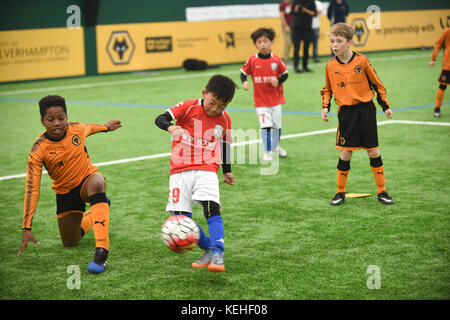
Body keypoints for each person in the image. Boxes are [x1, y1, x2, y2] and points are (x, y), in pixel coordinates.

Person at [17, 95, 122, 274]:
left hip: (87, 181)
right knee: (70, 242)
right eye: (51, 119)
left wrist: (106, 127)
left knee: (98, 183)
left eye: (61, 118)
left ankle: (102, 252)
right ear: (43, 121)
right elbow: (32, 188)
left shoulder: (76, 129)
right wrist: (26, 227)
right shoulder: (38, 150)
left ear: (67, 117)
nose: (57, 123)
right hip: (65, 193)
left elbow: (89, 128)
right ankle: (100, 206)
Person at [154, 75, 237, 273]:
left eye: (222, 107)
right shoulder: (188, 106)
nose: (215, 109)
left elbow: (225, 146)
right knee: (183, 220)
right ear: (204, 94)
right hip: (178, 171)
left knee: (211, 209)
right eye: (212, 103)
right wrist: (171, 126)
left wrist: (227, 171)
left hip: (206, 168)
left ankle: (218, 252)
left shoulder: (224, 120)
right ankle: (207, 247)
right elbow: (160, 118)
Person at [320, 23, 394, 206]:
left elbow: (378, 84)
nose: (334, 45)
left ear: (350, 42)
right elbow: (327, 89)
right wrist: (325, 106)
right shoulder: (330, 66)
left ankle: (382, 191)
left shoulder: (362, 61)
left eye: (339, 41)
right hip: (346, 114)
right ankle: (339, 192)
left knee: (373, 151)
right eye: (332, 41)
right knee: (345, 153)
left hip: (366, 111)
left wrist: (385, 105)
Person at [241, 27, 289, 161]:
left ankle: (276, 147)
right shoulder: (252, 60)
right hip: (261, 101)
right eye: (259, 42)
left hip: (276, 100)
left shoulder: (276, 60)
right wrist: (244, 82)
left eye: (265, 41)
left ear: (271, 42)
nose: (262, 44)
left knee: (277, 126)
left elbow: (285, 74)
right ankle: (267, 151)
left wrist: (278, 81)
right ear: (255, 44)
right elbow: (243, 72)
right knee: (265, 125)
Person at [290, 0, 317, 73]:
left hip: (307, 28)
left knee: (306, 48)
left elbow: (314, 14)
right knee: (296, 49)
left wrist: (305, 10)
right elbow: (292, 13)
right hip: (296, 28)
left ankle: (305, 67)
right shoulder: (295, 1)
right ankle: (296, 67)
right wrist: (296, 9)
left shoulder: (311, 2)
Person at [429, 27, 450, 117]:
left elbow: (438, 45)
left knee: (442, 87)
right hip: (448, 65)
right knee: (442, 87)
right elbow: (438, 44)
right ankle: (437, 109)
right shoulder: (447, 32)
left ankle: (437, 110)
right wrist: (433, 58)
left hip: (447, 65)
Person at [279, 0, 293, 65]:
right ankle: (285, 60)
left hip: (293, 25)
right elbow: (282, 16)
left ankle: (288, 58)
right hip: (286, 25)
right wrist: (286, 26)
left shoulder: (291, 3)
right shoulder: (282, 4)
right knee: (288, 43)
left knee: (291, 43)